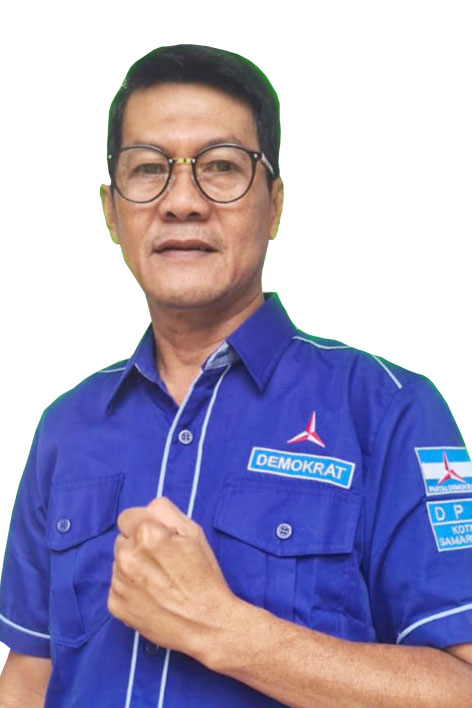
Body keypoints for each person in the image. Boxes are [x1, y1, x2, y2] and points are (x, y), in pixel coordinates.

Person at [0, 43, 471, 708]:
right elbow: (29, 678)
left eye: (221, 166)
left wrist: (223, 630)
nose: (182, 202)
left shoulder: (390, 412)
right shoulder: (66, 427)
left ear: (274, 205)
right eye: (148, 168)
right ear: (111, 211)